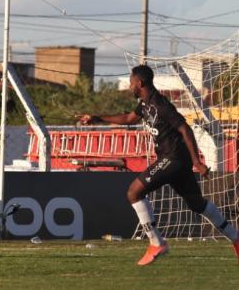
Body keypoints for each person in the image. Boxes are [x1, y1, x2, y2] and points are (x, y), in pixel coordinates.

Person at [78, 64, 239, 266]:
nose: (129, 87)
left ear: (140, 83)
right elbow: (129, 118)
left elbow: (185, 129)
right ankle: (236, 238)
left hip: (174, 159)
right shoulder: (145, 104)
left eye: (131, 83)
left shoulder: (160, 104)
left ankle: (157, 243)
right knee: (196, 204)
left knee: (133, 193)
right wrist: (97, 118)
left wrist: (197, 161)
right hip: (175, 160)